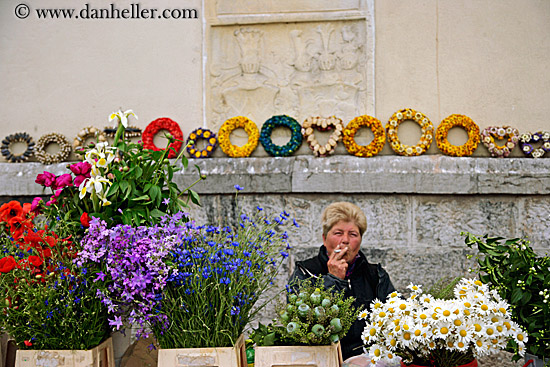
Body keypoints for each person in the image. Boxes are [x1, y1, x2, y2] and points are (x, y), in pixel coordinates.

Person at [288, 201, 395, 361]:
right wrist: (334, 279)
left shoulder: (376, 275)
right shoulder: (306, 272)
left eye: (353, 234)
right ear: (325, 239)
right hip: (321, 359)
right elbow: (304, 326)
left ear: (359, 241)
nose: (345, 240)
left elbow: (396, 316)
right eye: (338, 233)